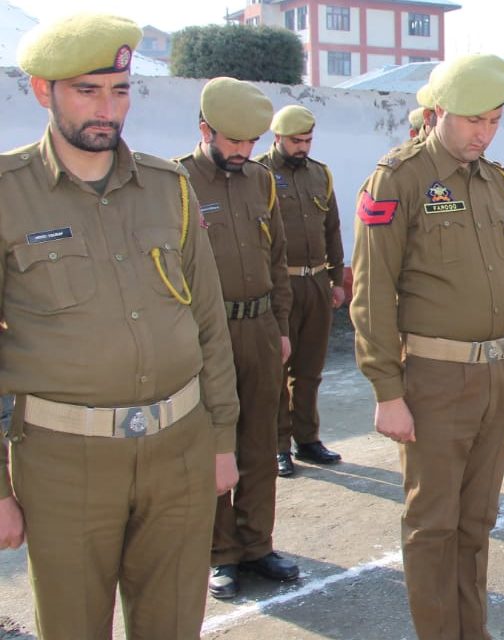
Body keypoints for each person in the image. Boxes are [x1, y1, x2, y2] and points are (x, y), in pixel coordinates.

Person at [0, 14, 239, 637]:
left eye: (121, 90)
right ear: (41, 90)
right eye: (87, 90)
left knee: (173, 623)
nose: (107, 108)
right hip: (64, 460)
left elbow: (208, 322)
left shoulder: (169, 188)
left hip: (180, 447)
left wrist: (222, 441)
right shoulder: (6, 195)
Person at [351, 53, 504, 638]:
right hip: (434, 380)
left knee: (476, 522)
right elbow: (373, 292)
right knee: (433, 525)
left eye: (495, 119)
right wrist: (386, 389)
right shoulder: (398, 179)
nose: (484, 132)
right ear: (438, 112)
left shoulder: (494, 181)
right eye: (473, 119)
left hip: (497, 378)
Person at [178, 77, 298, 599]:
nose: (243, 152)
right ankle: (219, 553)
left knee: (261, 439)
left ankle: (256, 544)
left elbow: (277, 258)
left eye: (251, 143)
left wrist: (282, 327)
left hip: (260, 329)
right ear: (205, 129)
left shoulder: (261, 181)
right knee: (213, 443)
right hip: (208, 333)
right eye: (233, 142)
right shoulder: (176, 182)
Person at [256, 105, 345, 478]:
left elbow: (333, 228)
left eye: (307, 140)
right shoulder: (259, 174)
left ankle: (307, 439)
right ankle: (278, 445)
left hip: (316, 283)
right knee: (277, 369)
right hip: (282, 285)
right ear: (277, 137)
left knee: (309, 369)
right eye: (296, 140)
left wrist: (338, 280)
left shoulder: (319, 175)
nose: (303, 147)